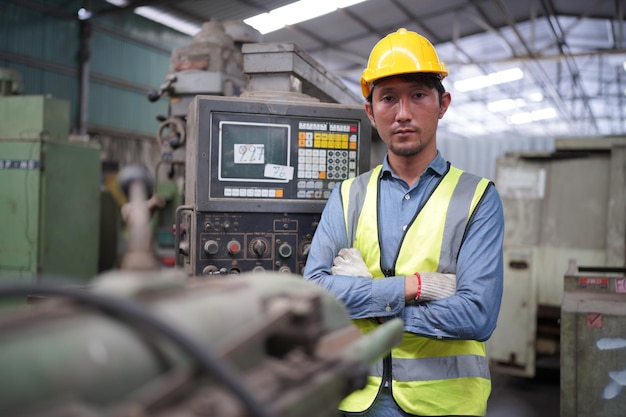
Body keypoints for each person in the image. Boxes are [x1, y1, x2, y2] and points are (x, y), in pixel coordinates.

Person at [303, 28, 504, 417]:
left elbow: (477, 315)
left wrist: (372, 299)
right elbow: (316, 293)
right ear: (370, 110)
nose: (403, 113)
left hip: (445, 405)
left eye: (418, 95)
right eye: (388, 98)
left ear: (442, 103)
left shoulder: (477, 198)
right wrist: (415, 287)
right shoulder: (348, 196)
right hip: (356, 399)